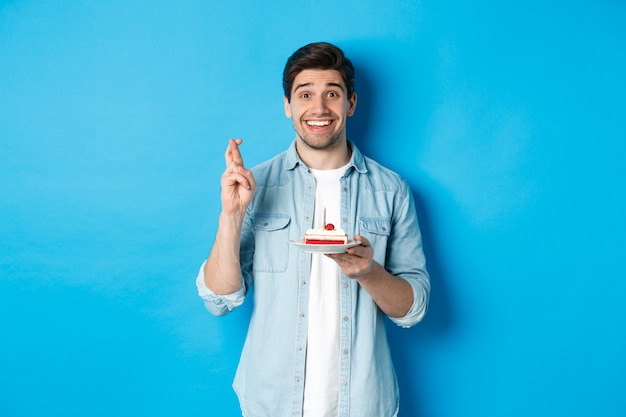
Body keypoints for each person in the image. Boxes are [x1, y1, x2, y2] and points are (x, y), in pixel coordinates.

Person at [196, 42, 430, 417]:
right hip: (271, 402)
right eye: (305, 94)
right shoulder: (255, 184)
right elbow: (219, 300)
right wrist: (231, 215)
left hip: (363, 402)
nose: (319, 109)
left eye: (332, 94)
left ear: (350, 104)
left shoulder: (391, 191)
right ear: (288, 104)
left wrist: (368, 273)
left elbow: (413, 308)